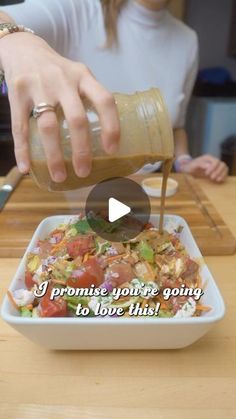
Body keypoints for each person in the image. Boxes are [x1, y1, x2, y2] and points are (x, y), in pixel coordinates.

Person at [0, 0, 228, 183]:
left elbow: (175, 126)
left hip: (142, 188)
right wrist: (18, 43)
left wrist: (185, 162)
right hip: (71, 186)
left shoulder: (187, 40)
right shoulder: (78, 9)